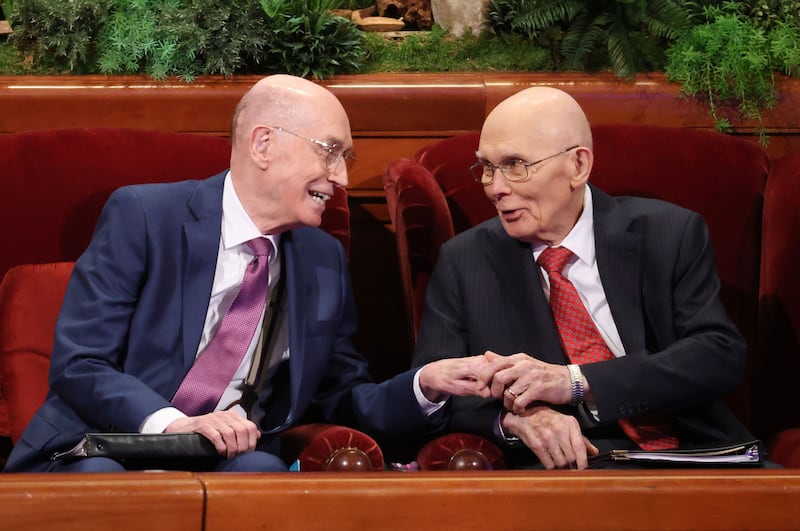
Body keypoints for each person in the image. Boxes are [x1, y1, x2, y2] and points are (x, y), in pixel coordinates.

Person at [4, 74, 490, 473]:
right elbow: (82, 363)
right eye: (330, 152)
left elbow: (339, 396)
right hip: (104, 443)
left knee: (262, 473)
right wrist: (172, 424)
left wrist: (424, 384)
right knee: (106, 481)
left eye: (347, 159)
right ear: (263, 144)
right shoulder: (146, 217)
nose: (341, 177)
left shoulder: (322, 259)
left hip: (227, 455)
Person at [412, 86, 756, 470]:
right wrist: (514, 420)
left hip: (697, 453)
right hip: (573, 470)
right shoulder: (464, 261)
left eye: (515, 164)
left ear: (577, 166)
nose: (496, 187)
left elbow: (717, 354)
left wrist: (577, 381)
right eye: (487, 167)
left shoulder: (669, 233)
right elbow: (439, 394)